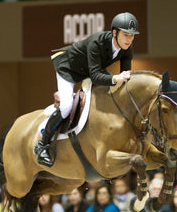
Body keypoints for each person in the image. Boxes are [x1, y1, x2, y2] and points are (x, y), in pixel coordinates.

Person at [35, 12, 140, 166]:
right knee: (66, 106)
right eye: (126, 35)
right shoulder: (97, 42)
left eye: (132, 36)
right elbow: (96, 76)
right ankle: (42, 145)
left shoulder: (127, 48)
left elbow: (127, 79)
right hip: (69, 69)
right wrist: (114, 78)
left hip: (90, 71)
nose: (129, 40)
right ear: (115, 32)